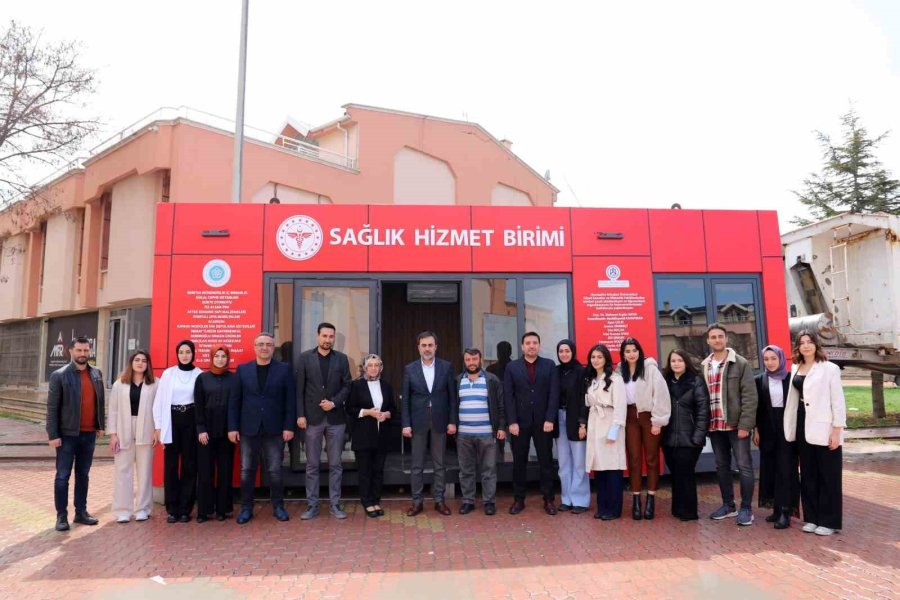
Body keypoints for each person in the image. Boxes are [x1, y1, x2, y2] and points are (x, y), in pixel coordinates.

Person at [228, 332, 297, 524]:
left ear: (273, 348)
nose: (264, 347)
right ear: (254, 347)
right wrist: (232, 427)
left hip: (275, 428)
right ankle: (246, 508)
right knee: (247, 470)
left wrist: (288, 426)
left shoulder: (284, 370)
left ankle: (278, 506)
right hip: (248, 428)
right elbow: (235, 401)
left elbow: (290, 401)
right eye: (260, 344)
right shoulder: (243, 370)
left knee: (275, 470)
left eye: (268, 344)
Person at [784, 330, 846, 536]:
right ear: (798, 347)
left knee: (828, 476)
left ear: (816, 345)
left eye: (810, 342)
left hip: (824, 426)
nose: (806, 346)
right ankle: (811, 518)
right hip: (802, 425)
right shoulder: (795, 367)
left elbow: (838, 401)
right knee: (808, 474)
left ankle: (829, 521)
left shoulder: (829, 368)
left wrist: (837, 431)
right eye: (802, 343)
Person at [701, 324, 759, 526]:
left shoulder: (740, 363)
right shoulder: (704, 365)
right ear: (708, 341)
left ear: (726, 339)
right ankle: (728, 505)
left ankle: (746, 508)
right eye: (713, 337)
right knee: (721, 466)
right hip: (714, 426)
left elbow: (750, 397)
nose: (717, 340)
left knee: (744, 466)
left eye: (720, 336)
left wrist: (745, 424)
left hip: (736, 426)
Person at [47, 336, 105, 532]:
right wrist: (53, 434)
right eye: (79, 350)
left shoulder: (96, 373)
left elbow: (100, 402)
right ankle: (61, 516)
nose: (83, 354)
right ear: (71, 351)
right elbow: (52, 408)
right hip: (67, 435)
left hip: (89, 434)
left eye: (86, 351)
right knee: (63, 476)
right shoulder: (59, 375)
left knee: (83, 474)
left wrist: (100, 424)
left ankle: (81, 512)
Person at [296, 322, 352, 520]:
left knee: (335, 464)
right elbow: (299, 389)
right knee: (312, 465)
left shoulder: (342, 359)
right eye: (325, 336)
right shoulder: (304, 358)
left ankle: (335, 504)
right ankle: (312, 505)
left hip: (336, 419)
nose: (328, 340)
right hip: (312, 419)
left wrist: (334, 403)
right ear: (317, 336)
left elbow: (347, 386)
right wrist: (300, 414)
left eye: (331, 336)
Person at [401, 331, 459, 516]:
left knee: (439, 463)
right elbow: (405, 400)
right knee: (416, 465)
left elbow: (452, 397)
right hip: (417, 422)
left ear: (436, 347)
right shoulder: (410, 369)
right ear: (418, 347)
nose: (427, 349)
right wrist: (406, 423)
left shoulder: (446, 367)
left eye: (430, 345)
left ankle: (439, 501)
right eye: (424, 345)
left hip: (440, 421)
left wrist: (452, 421)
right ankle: (417, 502)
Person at [504, 331, 559, 515]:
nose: (531, 346)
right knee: (519, 462)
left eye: (535, 342)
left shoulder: (549, 365)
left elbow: (553, 394)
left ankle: (549, 499)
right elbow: (508, 397)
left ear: (539, 345)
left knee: (546, 462)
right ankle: (519, 499)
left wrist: (550, 418)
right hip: (519, 423)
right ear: (522, 346)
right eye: (528, 343)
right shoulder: (512, 367)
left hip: (544, 423)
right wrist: (512, 421)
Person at [620, 337, 671, 520]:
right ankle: (636, 499)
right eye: (627, 351)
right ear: (623, 354)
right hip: (630, 417)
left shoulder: (650, 369)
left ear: (640, 352)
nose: (631, 354)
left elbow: (661, 394)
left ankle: (650, 499)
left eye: (634, 350)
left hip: (648, 417)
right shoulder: (620, 371)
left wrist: (658, 421)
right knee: (633, 459)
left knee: (651, 459)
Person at [153, 339, 203, 523]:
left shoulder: (199, 374)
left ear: (193, 353)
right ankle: (172, 508)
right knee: (171, 466)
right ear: (177, 354)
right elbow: (159, 401)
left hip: (191, 420)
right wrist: (158, 427)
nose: (184, 355)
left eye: (188, 352)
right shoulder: (168, 374)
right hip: (171, 421)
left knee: (190, 465)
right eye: (181, 352)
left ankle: (185, 509)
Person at [108, 350, 158, 523]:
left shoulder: (155, 384)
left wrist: (157, 430)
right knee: (122, 470)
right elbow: (113, 410)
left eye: (144, 360)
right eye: (137, 360)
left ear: (148, 364)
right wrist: (113, 434)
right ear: (131, 362)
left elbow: (158, 409)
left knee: (144, 471)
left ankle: (143, 508)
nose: (140, 363)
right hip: (123, 428)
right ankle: (123, 510)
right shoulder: (119, 384)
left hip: (147, 429)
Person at [456, 348, 506, 516]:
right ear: (464, 361)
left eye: (474, 359)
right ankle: (468, 501)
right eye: (468, 359)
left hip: (487, 433)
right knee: (466, 470)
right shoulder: (458, 381)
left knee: (489, 469)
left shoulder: (492, 380)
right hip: (463, 434)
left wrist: (500, 427)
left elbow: (501, 406)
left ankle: (489, 502)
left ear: (480, 360)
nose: (471, 362)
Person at [754, 344, 799, 529]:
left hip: (787, 428)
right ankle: (775, 507)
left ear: (781, 359)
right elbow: (757, 408)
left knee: (786, 469)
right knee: (770, 468)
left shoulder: (791, 379)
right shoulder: (759, 380)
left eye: (774, 358)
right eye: (766, 359)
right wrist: (756, 430)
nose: (770, 362)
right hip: (767, 429)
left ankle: (785, 511)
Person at [661, 349, 710, 521]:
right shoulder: (665, 381)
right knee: (675, 474)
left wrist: (698, 437)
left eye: (680, 360)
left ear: (686, 362)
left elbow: (703, 412)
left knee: (686, 474)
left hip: (690, 438)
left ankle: (689, 511)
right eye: (673, 361)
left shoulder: (696, 381)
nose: (676, 364)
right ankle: (677, 508)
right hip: (668, 438)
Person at [347, 354, 395, 518]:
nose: (373, 368)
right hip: (363, 435)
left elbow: (393, 409)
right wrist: (368, 412)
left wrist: (386, 414)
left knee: (378, 470)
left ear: (381, 368)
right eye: (370, 365)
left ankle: (376, 500)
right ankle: (367, 502)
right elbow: (350, 409)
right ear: (365, 368)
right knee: (365, 471)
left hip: (382, 435)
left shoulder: (387, 386)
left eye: (377, 365)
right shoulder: (356, 385)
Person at [194, 346, 237, 522]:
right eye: (217, 356)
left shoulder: (234, 379)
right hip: (207, 433)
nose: (220, 359)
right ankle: (204, 511)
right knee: (205, 471)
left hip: (227, 433)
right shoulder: (202, 378)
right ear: (211, 358)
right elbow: (198, 405)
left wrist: (234, 429)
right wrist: (201, 429)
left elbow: (236, 405)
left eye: (223, 356)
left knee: (225, 471)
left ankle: (222, 509)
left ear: (228, 359)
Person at [584, 344, 627, 520]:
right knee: (599, 468)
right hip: (595, 423)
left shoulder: (615, 379)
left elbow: (620, 406)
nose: (596, 360)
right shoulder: (592, 380)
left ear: (606, 359)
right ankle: (602, 506)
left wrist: (614, 430)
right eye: (593, 357)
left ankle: (614, 509)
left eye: (599, 357)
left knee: (612, 468)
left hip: (609, 424)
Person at [555, 339, 589, 514]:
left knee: (578, 462)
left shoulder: (581, 372)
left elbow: (585, 399)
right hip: (559, 418)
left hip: (575, 419)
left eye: (567, 351)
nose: (564, 354)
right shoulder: (556, 371)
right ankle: (566, 499)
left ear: (573, 352)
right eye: (561, 351)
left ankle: (580, 500)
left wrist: (583, 423)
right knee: (564, 462)